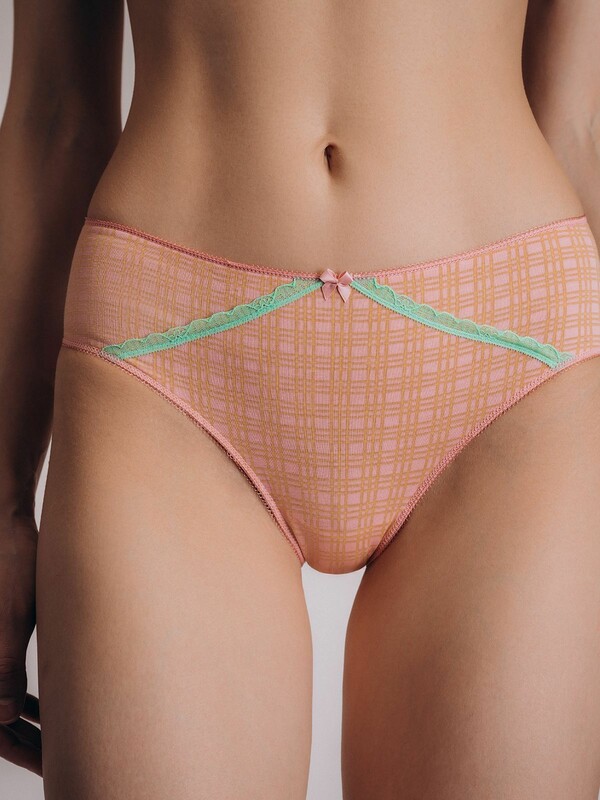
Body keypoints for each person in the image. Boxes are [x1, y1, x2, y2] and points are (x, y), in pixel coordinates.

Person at [1, 0, 599, 797]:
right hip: (168, 364)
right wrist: (2, 498)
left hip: (511, 361)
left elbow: (575, 116)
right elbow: (55, 113)